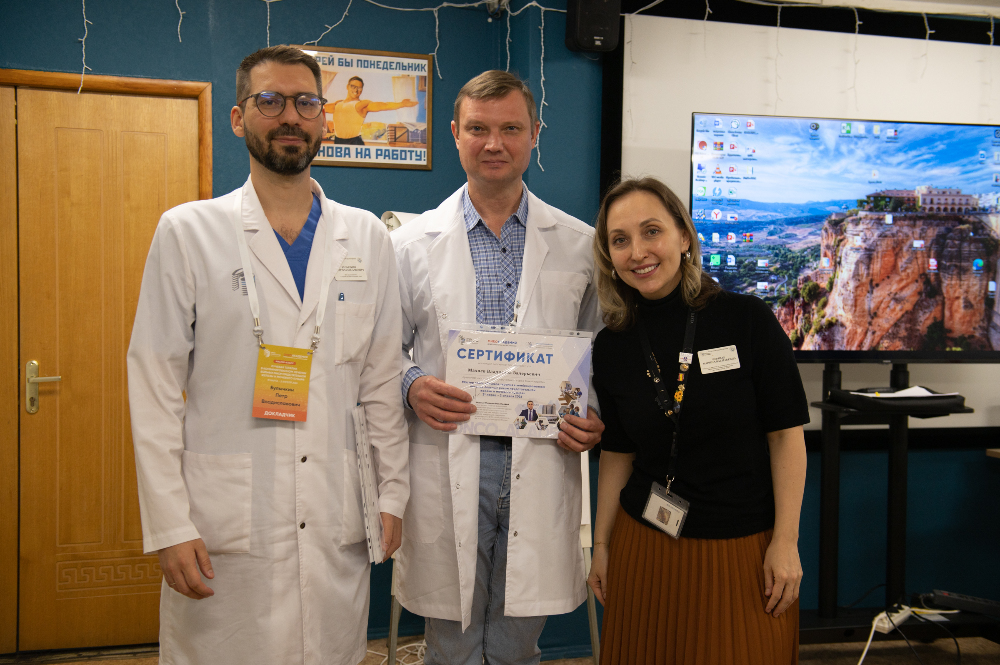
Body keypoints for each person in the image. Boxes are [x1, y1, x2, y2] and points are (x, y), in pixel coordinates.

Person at [126, 45, 409, 665]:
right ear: (238, 117)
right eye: (270, 100)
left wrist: (391, 493)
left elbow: (382, 380)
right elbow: (152, 383)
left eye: (306, 102)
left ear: (324, 118)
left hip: (333, 511)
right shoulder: (188, 232)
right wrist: (170, 523)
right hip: (225, 523)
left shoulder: (367, 237)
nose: (290, 117)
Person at [391, 70, 605, 665]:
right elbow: (380, 349)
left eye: (510, 129)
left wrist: (593, 413)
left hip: (540, 456)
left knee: (517, 644)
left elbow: (599, 351)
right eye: (478, 129)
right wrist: (412, 385)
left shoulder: (579, 245)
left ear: (534, 134)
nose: (494, 143)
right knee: (450, 644)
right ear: (455, 134)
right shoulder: (409, 245)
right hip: (446, 455)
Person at [586, 177, 809, 664]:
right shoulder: (613, 344)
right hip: (644, 548)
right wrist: (602, 544)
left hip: (742, 551)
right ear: (608, 255)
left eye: (652, 231)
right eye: (620, 240)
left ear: (684, 237)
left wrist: (786, 541)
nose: (638, 252)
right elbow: (618, 452)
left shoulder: (746, 319)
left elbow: (786, 437)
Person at [327, 76, 418, 145]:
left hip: (354, 142)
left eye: (359, 88)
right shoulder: (338, 104)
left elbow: (383, 105)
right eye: (353, 86)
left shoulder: (362, 105)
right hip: (338, 141)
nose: (356, 90)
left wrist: (402, 104)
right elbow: (322, 108)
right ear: (347, 87)